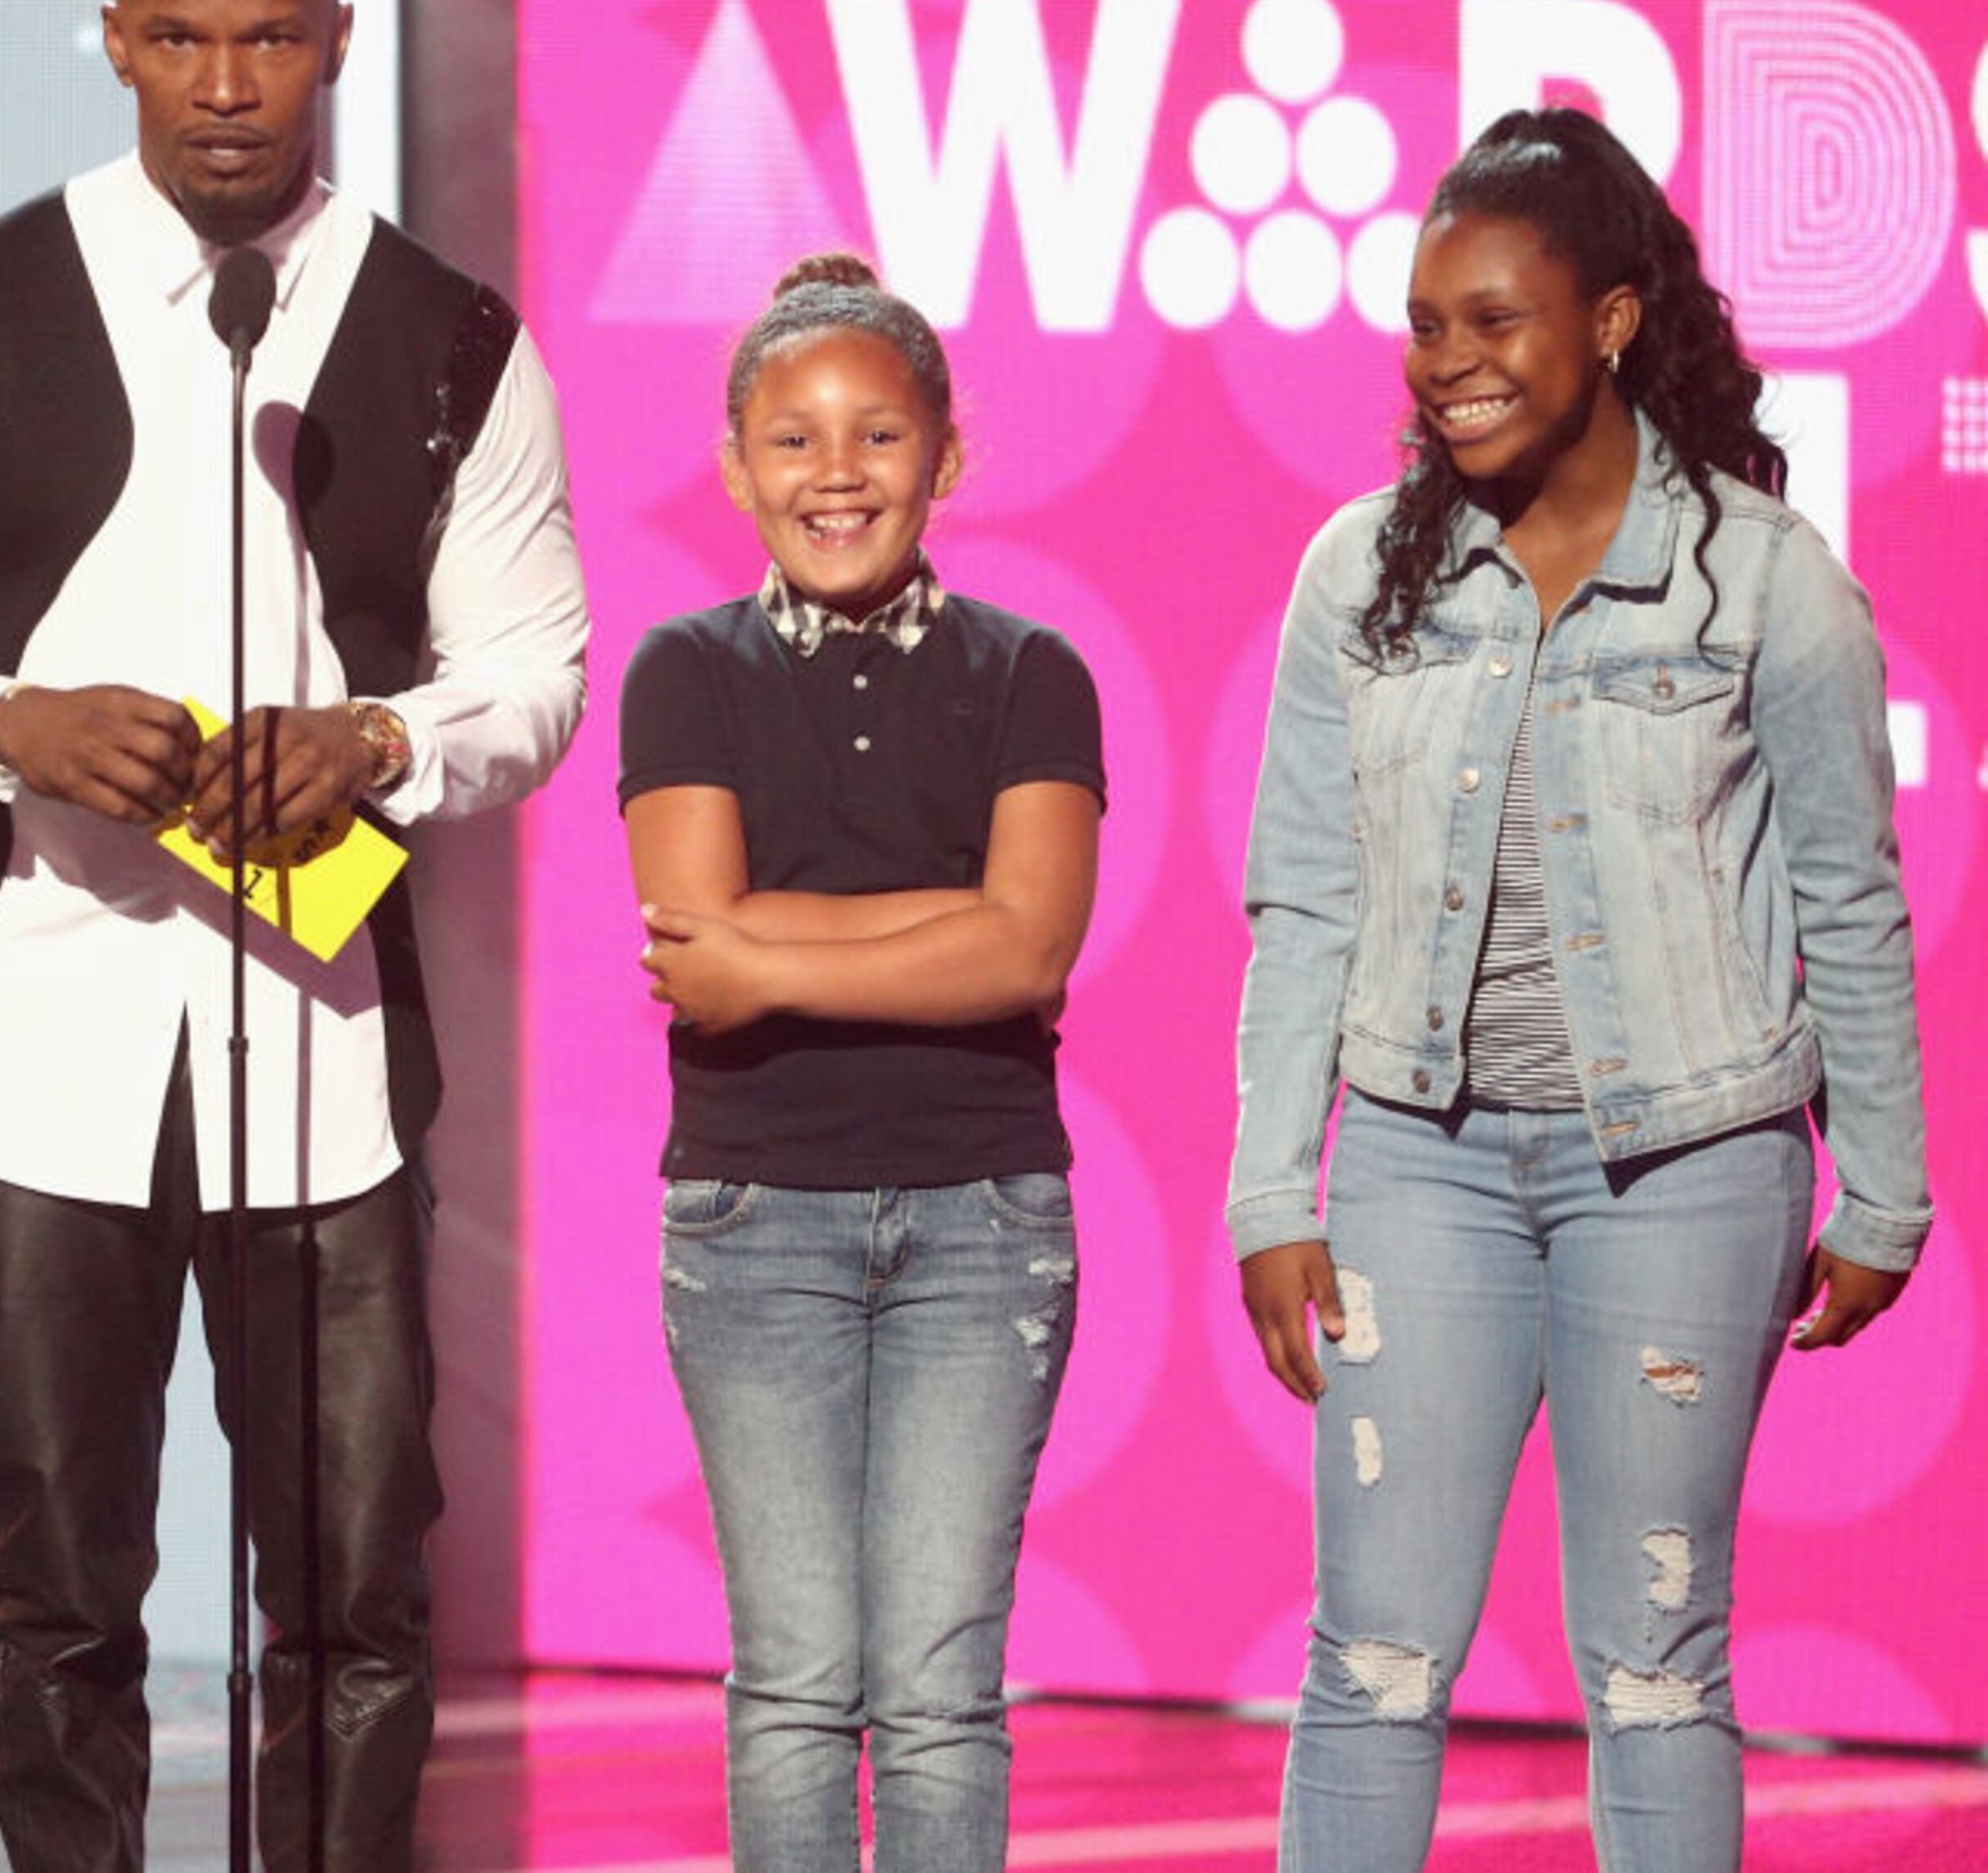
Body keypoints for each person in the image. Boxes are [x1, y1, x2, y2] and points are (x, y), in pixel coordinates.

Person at [0, 0, 587, 1872]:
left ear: (332, 45)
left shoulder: (447, 339)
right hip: (39, 1042)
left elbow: (538, 670)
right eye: (184, 38)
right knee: (59, 1588)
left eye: (272, 40)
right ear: (118, 38)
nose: (228, 84)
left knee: (359, 1596)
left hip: (319, 1063)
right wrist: (3, 722)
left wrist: (384, 742)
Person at [1227, 105, 1933, 1870]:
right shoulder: (1358, 576)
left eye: (1492, 320)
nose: (1446, 362)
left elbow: (1852, 900)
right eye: (1424, 323)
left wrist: (1888, 1192)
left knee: (1656, 1666)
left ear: (1609, 322)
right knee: (1373, 1661)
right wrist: (1267, 1187)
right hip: (1420, 1169)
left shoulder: (1767, 583)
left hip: (1690, 1170)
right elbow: (1301, 896)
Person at [624, 253, 1104, 1870]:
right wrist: (920, 932)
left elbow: (1027, 949)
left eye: (878, 436)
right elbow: (703, 973)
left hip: (987, 1226)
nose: (837, 474)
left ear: (948, 455)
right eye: (796, 438)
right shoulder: (682, 670)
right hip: (757, 1225)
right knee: (797, 1684)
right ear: (736, 464)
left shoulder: (1034, 673)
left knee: (940, 1689)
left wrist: (776, 941)